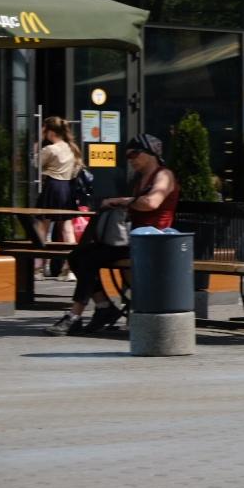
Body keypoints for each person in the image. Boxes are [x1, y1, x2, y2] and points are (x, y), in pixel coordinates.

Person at [45, 134, 181, 336]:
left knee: (88, 259)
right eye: (127, 156)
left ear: (151, 153)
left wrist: (120, 201)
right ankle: (102, 307)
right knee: (78, 256)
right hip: (132, 241)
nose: (131, 159)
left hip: (152, 243)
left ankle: (79, 314)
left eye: (134, 154)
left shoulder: (163, 175)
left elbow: (152, 203)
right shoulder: (138, 179)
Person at [33, 116, 84, 281]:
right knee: (67, 228)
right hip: (67, 188)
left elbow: (36, 163)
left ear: (51, 132)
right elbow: (76, 170)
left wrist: (38, 141)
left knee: (42, 228)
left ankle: (39, 268)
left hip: (52, 187)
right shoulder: (72, 149)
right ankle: (69, 269)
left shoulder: (50, 149)